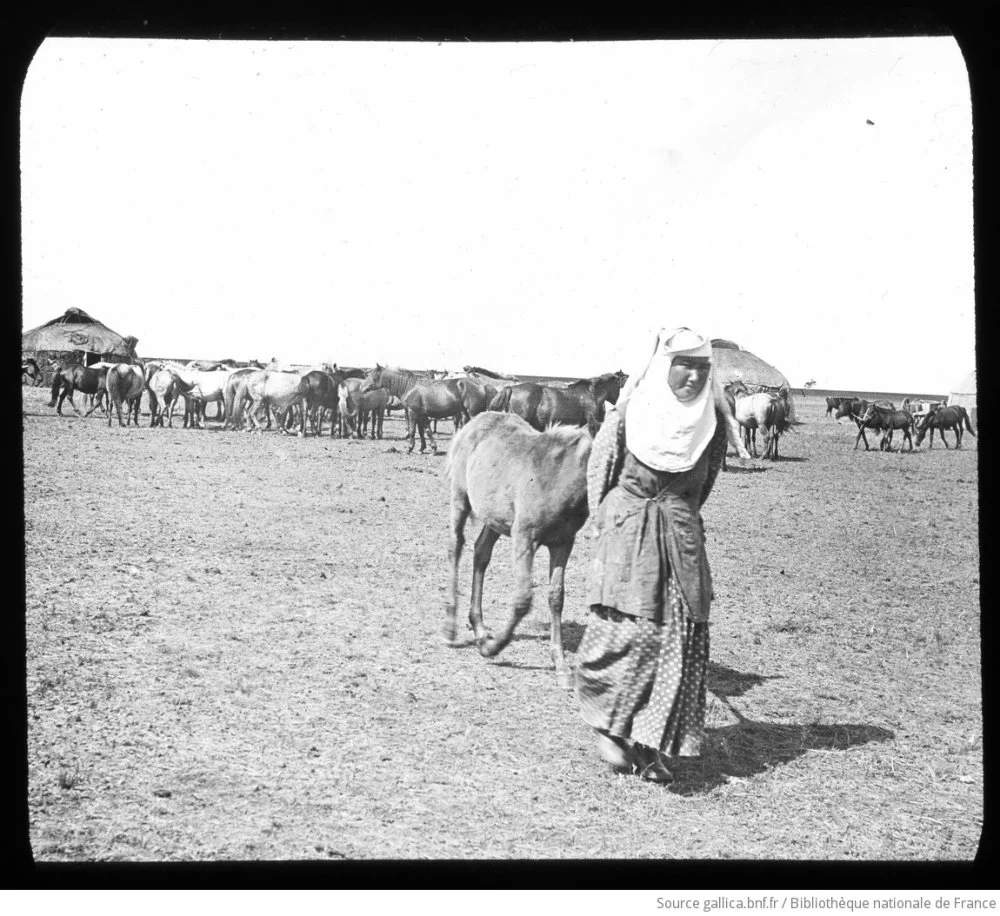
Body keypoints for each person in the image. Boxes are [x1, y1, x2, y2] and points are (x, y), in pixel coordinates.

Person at [574, 327, 729, 783]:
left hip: (679, 536)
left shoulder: (712, 423)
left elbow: (705, 485)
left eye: (703, 368)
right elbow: (598, 478)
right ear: (664, 366)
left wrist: (678, 520)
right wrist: (611, 527)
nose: (694, 376)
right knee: (626, 634)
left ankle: (650, 745)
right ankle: (608, 727)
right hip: (627, 531)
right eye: (685, 365)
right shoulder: (627, 416)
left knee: (679, 640)